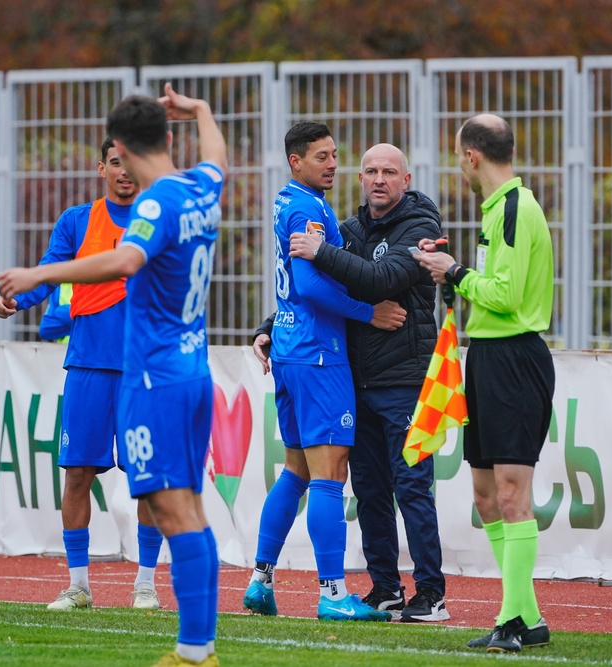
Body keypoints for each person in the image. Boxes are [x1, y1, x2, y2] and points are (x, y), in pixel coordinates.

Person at [0, 83, 226, 667]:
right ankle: (195, 648)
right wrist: (201, 111)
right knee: (186, 507)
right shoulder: (200, 185)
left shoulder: (154, 203)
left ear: (121, 144)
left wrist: (34, 274)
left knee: (174, 510)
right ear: (171, 137)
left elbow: (126, 260)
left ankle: (195, 650)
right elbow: (220, 159)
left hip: (154, 376)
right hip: (192, 371)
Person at [272, 143, 449, 623]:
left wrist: (321, 251)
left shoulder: (421, 227)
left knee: (412, 486)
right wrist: (270, 327)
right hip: (357, 380)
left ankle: (431, 593)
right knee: (369, 490)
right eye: (369, 170)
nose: (378, 179)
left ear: (406, 180)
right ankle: (386, 588)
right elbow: (323, 288)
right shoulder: (347, 230)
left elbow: (378, 280)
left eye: (389, 172)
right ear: (359, 178)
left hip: (405, 380)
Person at [241, 121, 406, 623]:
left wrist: (271, 327)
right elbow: (311, 285)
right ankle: (333, 593)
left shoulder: (287, 200)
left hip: (292, 349)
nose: (332, 164)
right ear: (296, 161)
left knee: (296, 470)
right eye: (321, 157)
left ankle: (260, 581)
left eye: (335, 155)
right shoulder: (307, 207)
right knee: (330, 475)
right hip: (318, 353)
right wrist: (368, 312)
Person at [0, 138, 164, 612]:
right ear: (101, 168)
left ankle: (145, 585)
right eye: (115, 163)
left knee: (147, 480)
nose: (124, 172)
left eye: (131, 162)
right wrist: (16, 301)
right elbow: (49, 273)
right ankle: (78, 586)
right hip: (88, 365)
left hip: (144, 372)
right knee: (76, 476)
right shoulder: (77, 220)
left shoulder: (160, 217)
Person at [414, 113, 555, 653]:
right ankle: (528, 618)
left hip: (515, 358)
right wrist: (451, 282)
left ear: (471, 156)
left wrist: (454, 272)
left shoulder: (516, 209)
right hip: (490, 358)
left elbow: (508, 295)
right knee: (486, 494)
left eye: (457, 157)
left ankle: (511, 621)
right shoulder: (497, 209)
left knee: (514, 494)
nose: (459, 167)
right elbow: (490, 289)